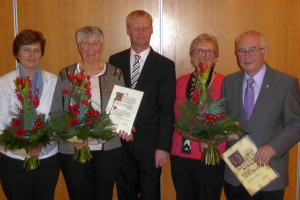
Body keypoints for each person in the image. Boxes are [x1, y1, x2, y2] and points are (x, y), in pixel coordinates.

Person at [49, 26, 129, 200]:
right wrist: (72, 137)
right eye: (85, 43)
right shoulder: (65, 75)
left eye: (95, 44)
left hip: (108, 150)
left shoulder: (115, 74)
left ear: (102, 46)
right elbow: (55, 113)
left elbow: (123, 110)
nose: (91, 48)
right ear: (79, 46)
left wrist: (127, 125)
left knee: (104, 195)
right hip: (73, 150)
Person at [222, 30, 300, 200]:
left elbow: (296, 124)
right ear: (236, 54)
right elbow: (224, 120)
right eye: (241, 51)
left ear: (265, 52)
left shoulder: (286, 83)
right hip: (235, 175)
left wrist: (273, 147)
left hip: (268, 174)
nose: (247, 56)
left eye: (253, 50)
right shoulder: (228, 82)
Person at [109, 10, 176, 200]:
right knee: (125, 193)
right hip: (121, 142)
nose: (140, 32)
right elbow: (113, 99)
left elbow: (166, 109)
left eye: (145, 28)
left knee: (150, 195)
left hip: (151, 146)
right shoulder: (115, 61)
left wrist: (163, 147)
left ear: (152, 30)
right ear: (128, 31)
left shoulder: (165, 65)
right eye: (135, 28)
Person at [0, 29, 59, 200]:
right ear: (17, 53)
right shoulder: (3, 83)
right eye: (26, 49)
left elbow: (57, 119)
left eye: (36, 50)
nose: (32, 55)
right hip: (13, 159)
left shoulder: (54, 81)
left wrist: (42, 143)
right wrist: (22, 146)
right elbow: (1, 122)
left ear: (42, 53)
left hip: (46, 158)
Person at [170, 33, 225, 200]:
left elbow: (231, 120)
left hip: (211, 153)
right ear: (191, 57)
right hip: (181, 154)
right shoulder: (180, 82)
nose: (203, 56)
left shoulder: (226, 82)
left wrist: (212, 139)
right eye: (198, 51)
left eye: (209, 52)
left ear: (215, 57)